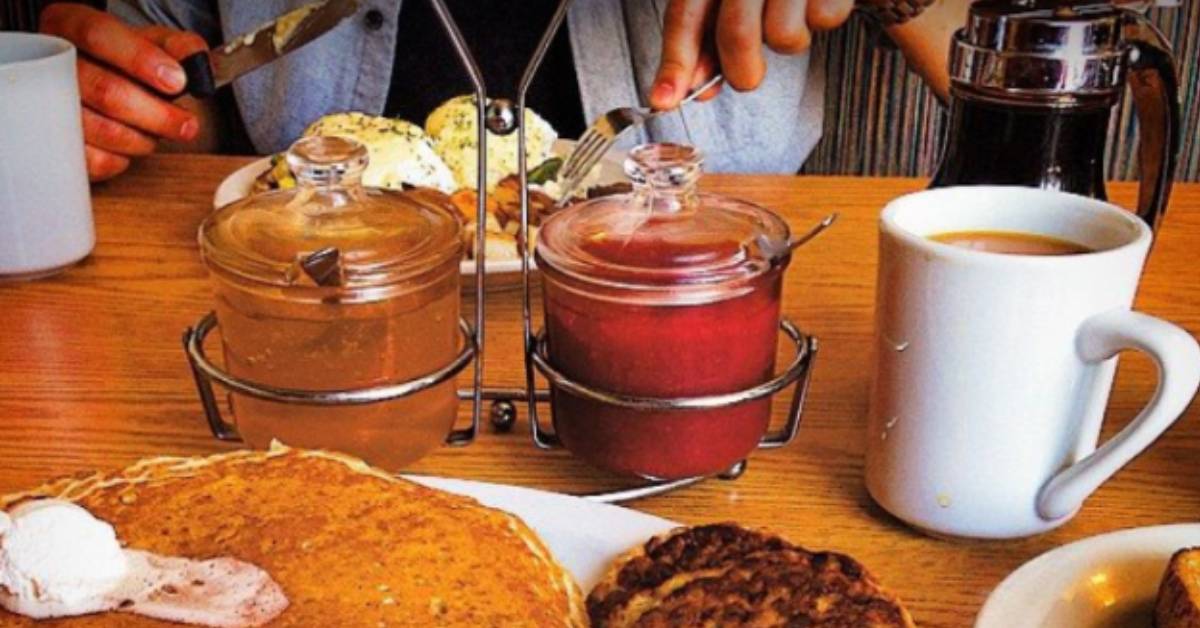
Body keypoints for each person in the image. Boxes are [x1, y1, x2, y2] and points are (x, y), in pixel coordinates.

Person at [41, 0, 969, 182]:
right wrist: (121, 107)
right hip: (310, 321)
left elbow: (1035, 57)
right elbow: (183, 103)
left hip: (692, 323)